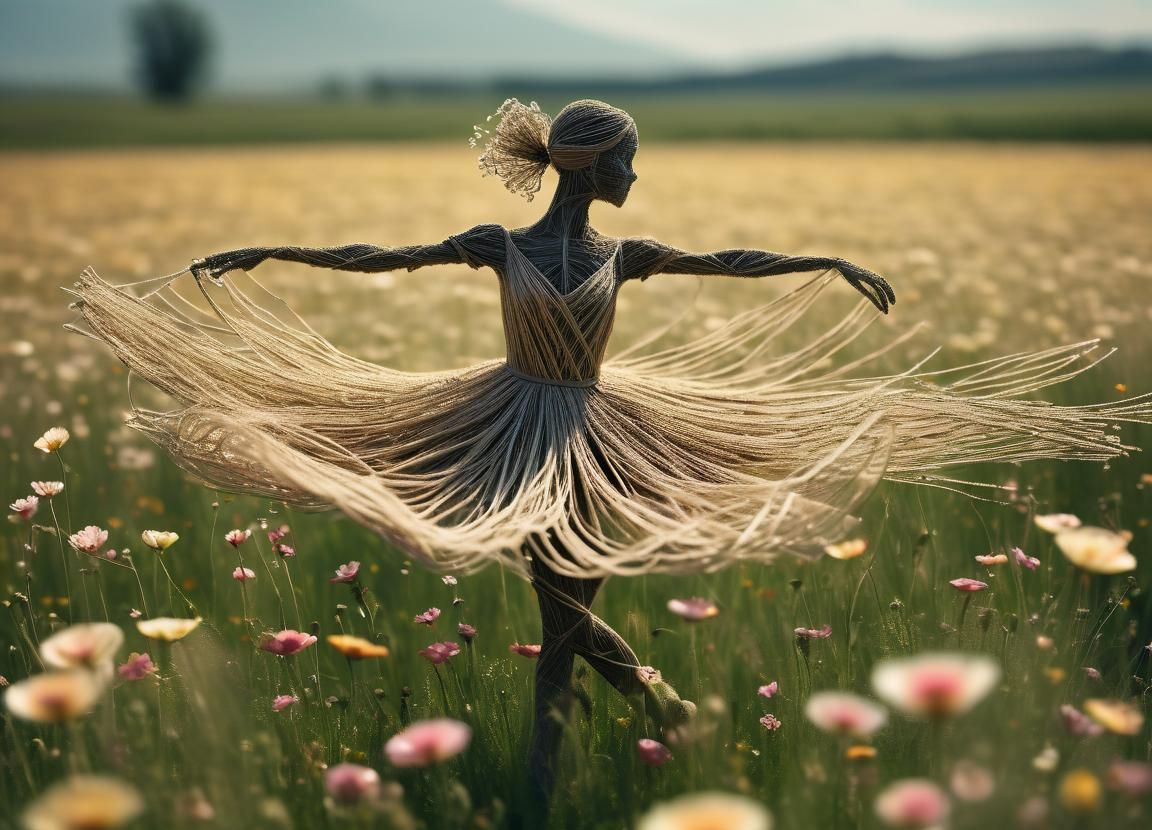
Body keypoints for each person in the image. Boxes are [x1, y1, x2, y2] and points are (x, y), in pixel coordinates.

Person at [71, 98, 1149, 794]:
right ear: (594, 169)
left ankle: (588, 747)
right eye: (629, 161)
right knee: (562, 612)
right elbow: (377, 257)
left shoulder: (624, 254)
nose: (639, 174)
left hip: (594, 430)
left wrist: (824, 259)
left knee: (563, 613)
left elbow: (727, 257)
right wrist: (273, 250)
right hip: (508, 425)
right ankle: (638, 721)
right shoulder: (501, 244)